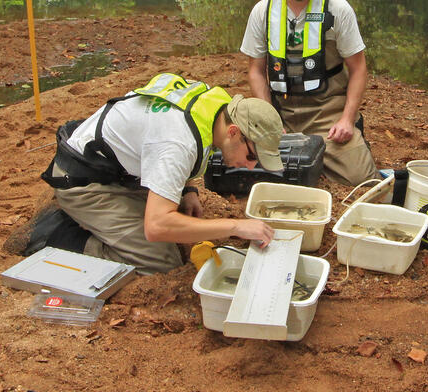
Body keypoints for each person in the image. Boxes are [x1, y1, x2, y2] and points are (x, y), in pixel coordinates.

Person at [40, 73, 280, 273]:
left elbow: (182, 137)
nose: (250, 166)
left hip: (113, 164)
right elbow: (156, 226)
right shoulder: (177, 144)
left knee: (176, 226)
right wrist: (236, 227)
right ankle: (58, 235)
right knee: (161, 261)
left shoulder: (218, 105)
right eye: (251, 156)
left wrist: (188, 189)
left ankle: (99, 219)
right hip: (85, 182)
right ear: (234, 132)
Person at [240, 0, 378, 185]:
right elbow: (256, 72)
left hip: (327, 112)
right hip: (281, 111)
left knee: (361, 179)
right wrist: (269, 119)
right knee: (246, 167)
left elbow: (358, 69)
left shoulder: (338, 9)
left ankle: (344, 143)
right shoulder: (263, 11)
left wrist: (347, 118)